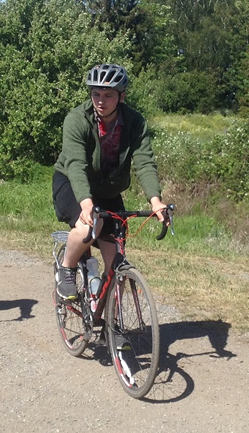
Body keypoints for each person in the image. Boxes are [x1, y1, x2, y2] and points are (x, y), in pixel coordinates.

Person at [53, 63, 167, 300]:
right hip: (72, 184)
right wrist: (86, 204)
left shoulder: (134, 122)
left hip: (108, 190)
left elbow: (144, 162)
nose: (101, 101)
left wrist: (155, 201)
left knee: (117, 264)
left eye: (108, 95)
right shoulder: (77, 119)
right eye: (96, 94)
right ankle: (67, 268)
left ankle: (110, 325)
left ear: (121, 96)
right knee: (88, 228)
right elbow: (76, 164)